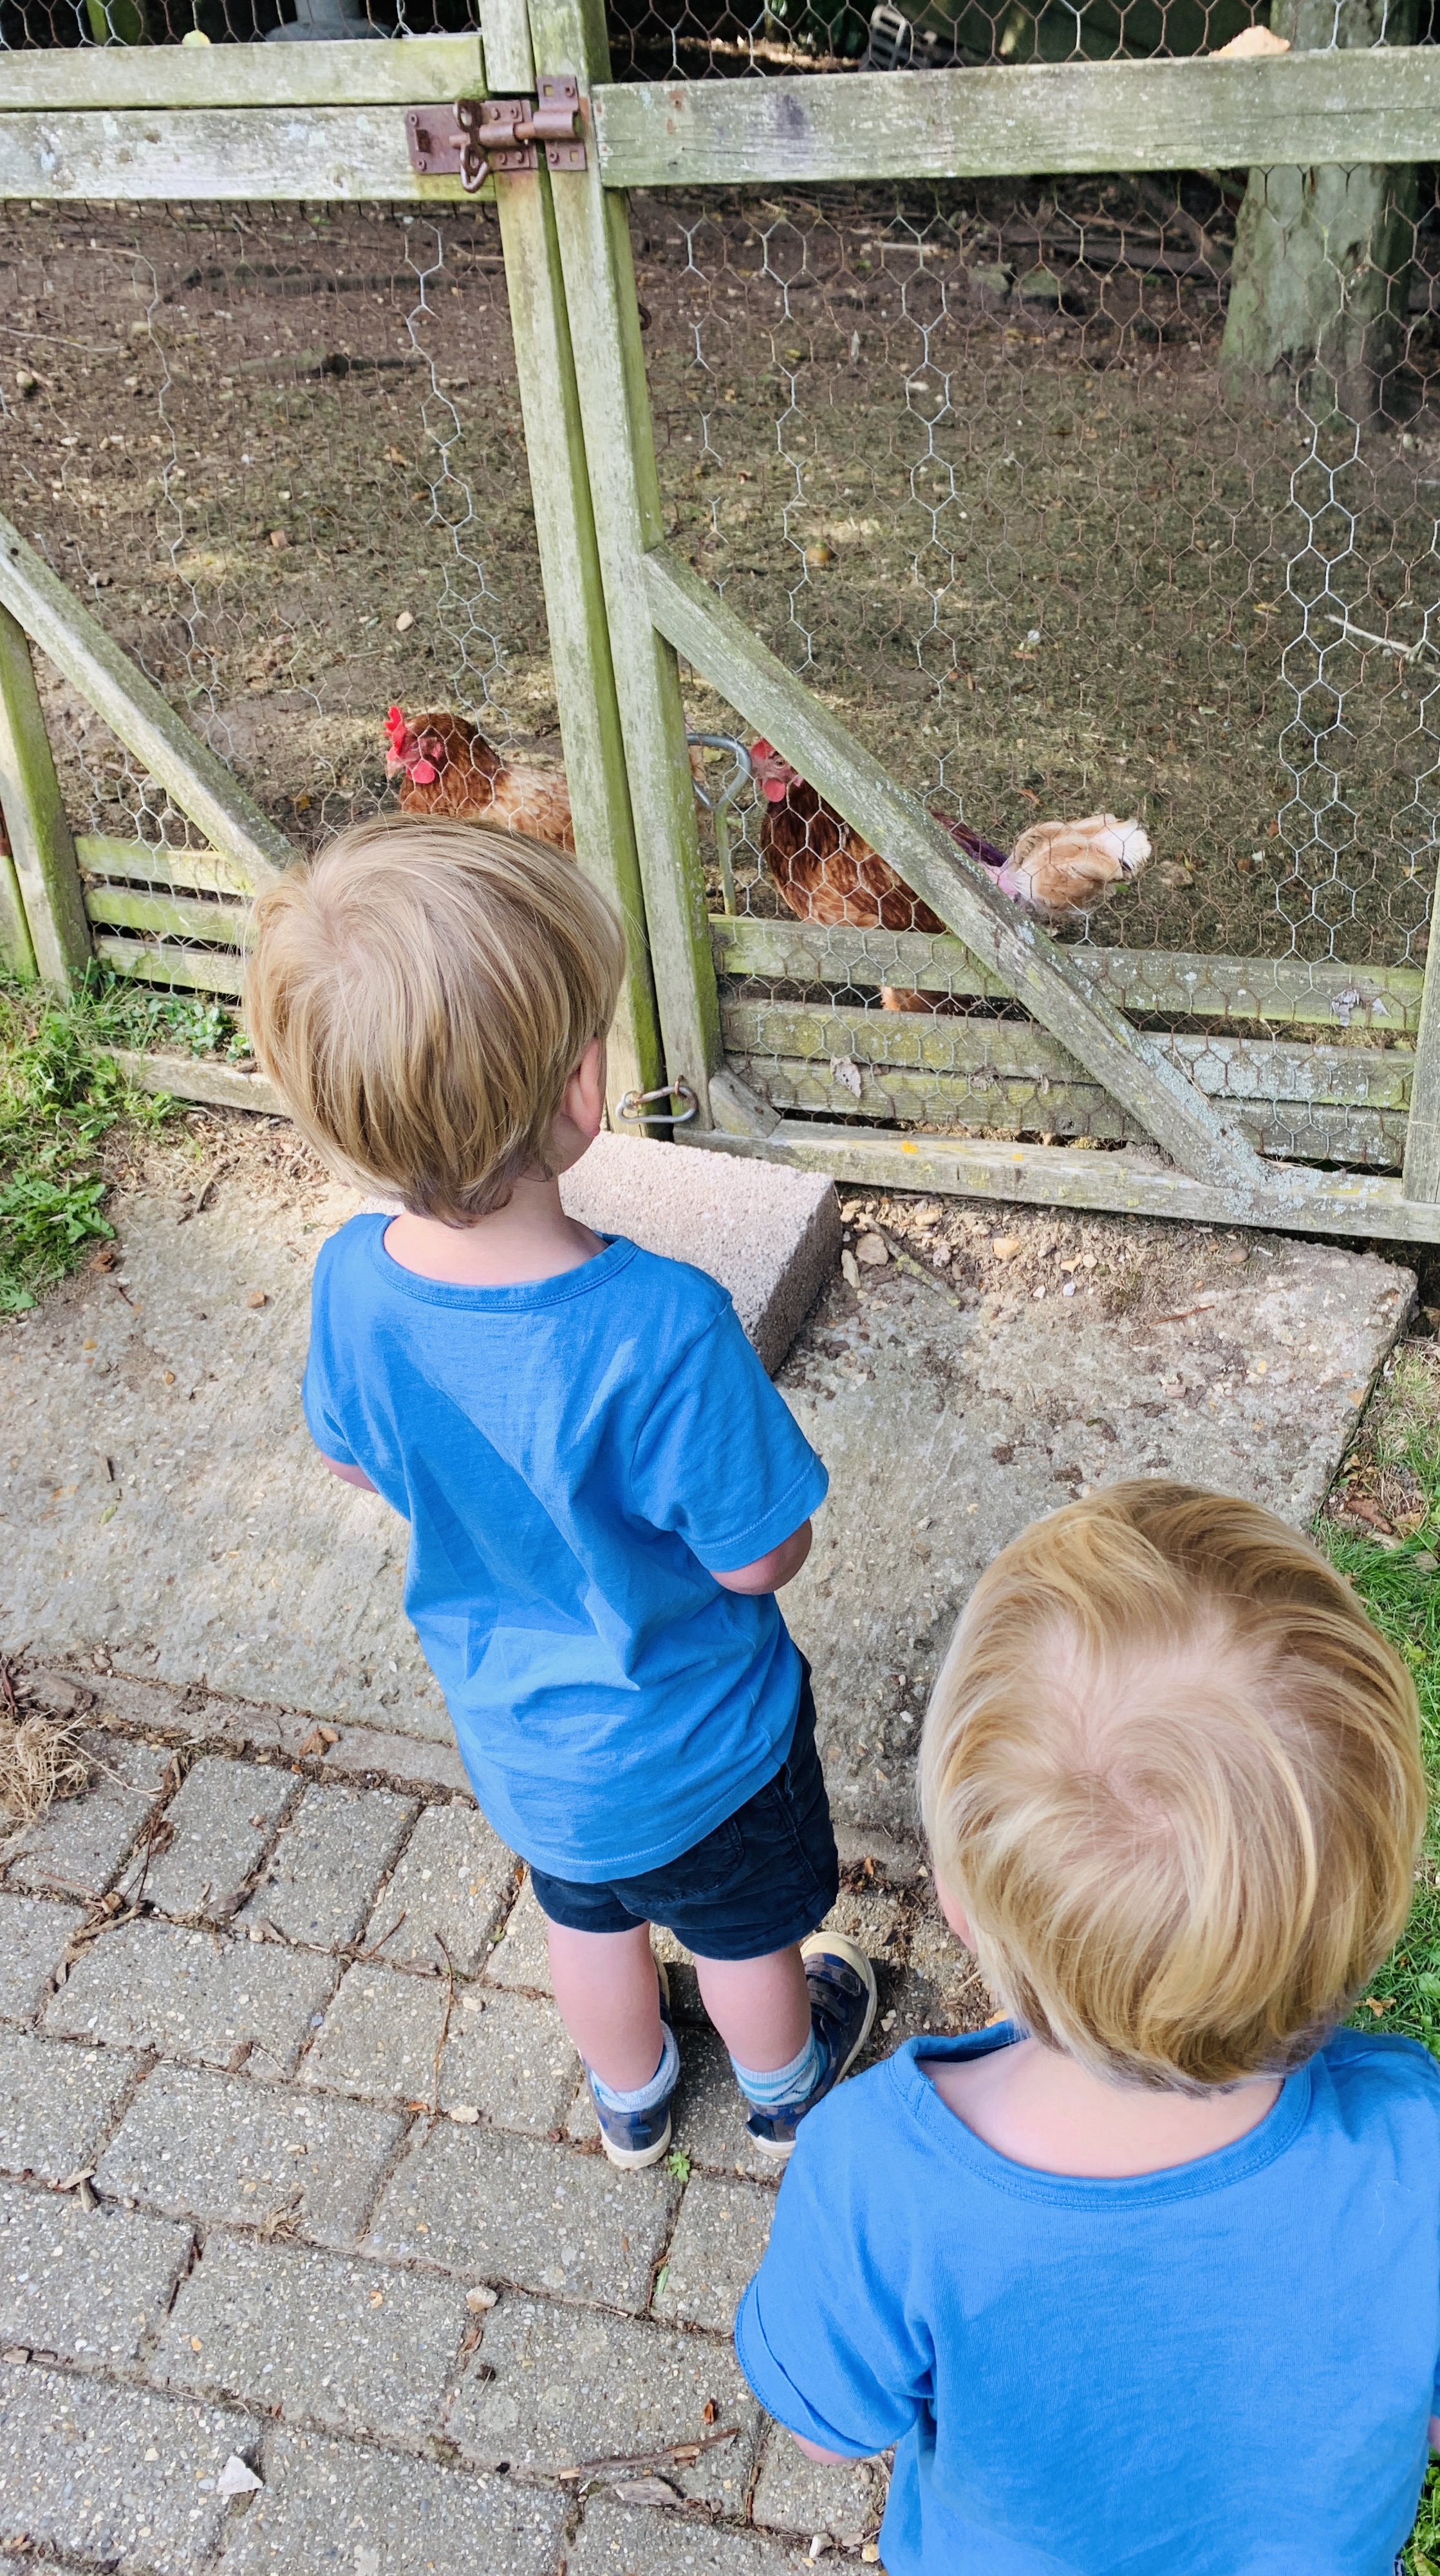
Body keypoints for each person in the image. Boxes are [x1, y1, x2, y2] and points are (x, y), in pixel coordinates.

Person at [736, 1481, 1440, 2571]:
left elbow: (823, 2430)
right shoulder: (1419, 2151)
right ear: (1367, 1914)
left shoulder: (878, 2174)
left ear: (960, 1896)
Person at [246, 814, 875, 2169]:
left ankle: (633, 2098)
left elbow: (354, 1455)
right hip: (702, 1748)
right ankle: (785, 2089)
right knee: (743, 1934)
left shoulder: (353, 1284)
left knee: (584, 1917)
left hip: (524, 1745)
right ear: (582, 1091)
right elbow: (763, 1558)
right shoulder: (661, 1324)